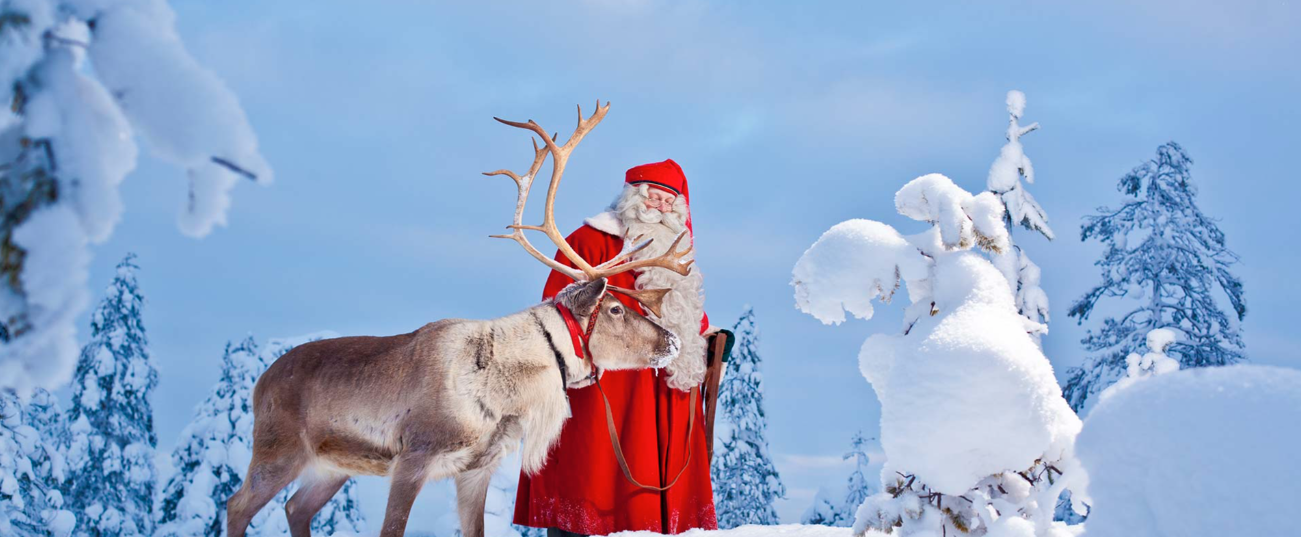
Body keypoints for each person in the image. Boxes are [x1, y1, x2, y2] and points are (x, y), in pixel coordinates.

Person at [514, 159, 719, 536]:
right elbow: (558, 305)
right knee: (595, 471)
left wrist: (707, 336)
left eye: (669, 202)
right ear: (632, 196)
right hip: (612, 381)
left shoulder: (678, 249)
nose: (660, 208)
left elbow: (686, 309)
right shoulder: (590, 241)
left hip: (668, 384)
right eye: (654, 198)